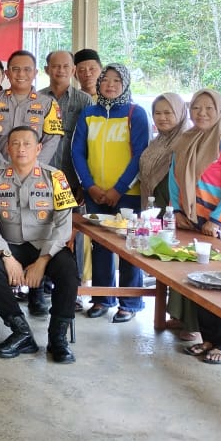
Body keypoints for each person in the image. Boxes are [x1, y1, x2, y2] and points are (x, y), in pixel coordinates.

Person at [0, 126, 80, 363]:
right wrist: (6, 257)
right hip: (11, 245)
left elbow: (64, 226)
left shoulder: (56, 178)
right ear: (7, 148)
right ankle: (21, 332)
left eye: (27, 144)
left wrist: (42, 261)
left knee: (68, 269)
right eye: (15, 143)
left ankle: (57, 339)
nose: (21, 149)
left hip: (46, 247)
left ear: (39, 148)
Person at [169, 89, 221, 364]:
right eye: (196, 108)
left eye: (208, 108)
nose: (201, 113)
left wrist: (216, 221)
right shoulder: (186, 139)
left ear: (219, 111)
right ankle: (209, 338)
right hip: (194, 224)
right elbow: (174, 178)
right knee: (200, 280)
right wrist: (178, 210)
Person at [71, 64, 150, 324]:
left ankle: (130, 303)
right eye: (106, 80)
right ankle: (102, 298)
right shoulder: (88, 114)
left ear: (125, 84)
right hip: (95, 192)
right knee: (100, 246)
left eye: (117, 80)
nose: (111, 85)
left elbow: (140, 155)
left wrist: (119, 189)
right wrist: (90, 185)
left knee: (129, 247)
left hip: (128, 193)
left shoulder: (135, 113)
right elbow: (77, 152)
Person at [137, 93, 195, 340]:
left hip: (177, 209)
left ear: (180, 113)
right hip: (157, 207)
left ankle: (191, 324)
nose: (162, 118)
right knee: (168, 261)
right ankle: (177, 316)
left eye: (168, 112)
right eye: (157, 113)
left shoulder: (187, 140)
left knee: (182, 261)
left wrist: (179, 209)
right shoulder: (158, 140)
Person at [0, 50, 63, 175]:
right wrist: (1, 169)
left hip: (35, 177)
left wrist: (30, 169)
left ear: (35, 73)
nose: (21, 74)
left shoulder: (49, 104)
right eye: (15, 69)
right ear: (7, 73)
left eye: (27, 69)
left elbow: (51, 141)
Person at [42, 50, 92, 194]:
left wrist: (84, 183)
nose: (61, 70)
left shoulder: (84, 100)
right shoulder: (36, 99)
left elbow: (89, 143)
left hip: (73, 178)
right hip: (41, 177)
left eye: (65, 66)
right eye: (55, 66)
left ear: (73, 70)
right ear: (47, 69)